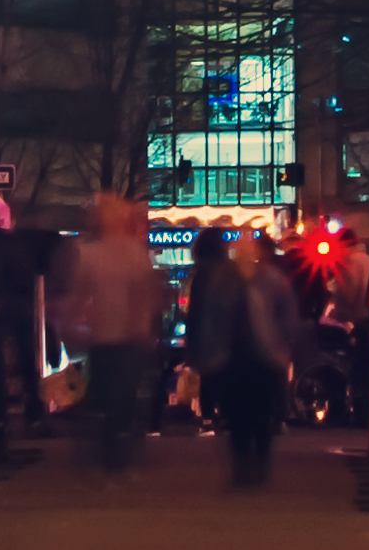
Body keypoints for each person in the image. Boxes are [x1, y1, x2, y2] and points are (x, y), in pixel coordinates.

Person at [56, 189, 165, 469]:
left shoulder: (91, 253)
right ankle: (118, 454)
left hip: (106, 334)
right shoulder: (134, 253)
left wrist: (69, 324)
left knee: (107, 396)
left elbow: (79, 294)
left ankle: (109, 454)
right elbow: (146, 293)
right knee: (121, 396)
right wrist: (146, 325)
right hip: (125, 336)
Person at [192, 228, 305, 491]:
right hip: (243, 355)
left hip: (252, 355)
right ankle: (250, 468)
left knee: (252, 414)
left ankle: (250, 467)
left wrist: (284, 343)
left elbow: (211, 318)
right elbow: (212, 318)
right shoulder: (243, 279)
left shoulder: (259, 279)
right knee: (246, 414)